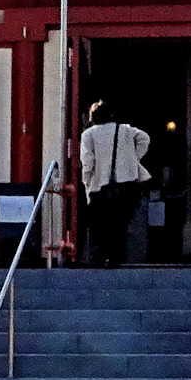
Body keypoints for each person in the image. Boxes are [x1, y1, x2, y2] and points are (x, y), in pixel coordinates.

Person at [78, 100, 150, 267]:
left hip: (100, 187)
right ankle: (116, 258)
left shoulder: (89, 134)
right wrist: (133, 159)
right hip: (125, 186)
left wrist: (87, 183)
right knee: (120, 225)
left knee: (101, 225)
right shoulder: (124, 129)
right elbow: (145, 138)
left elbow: (87, 162)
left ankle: (103, 257)